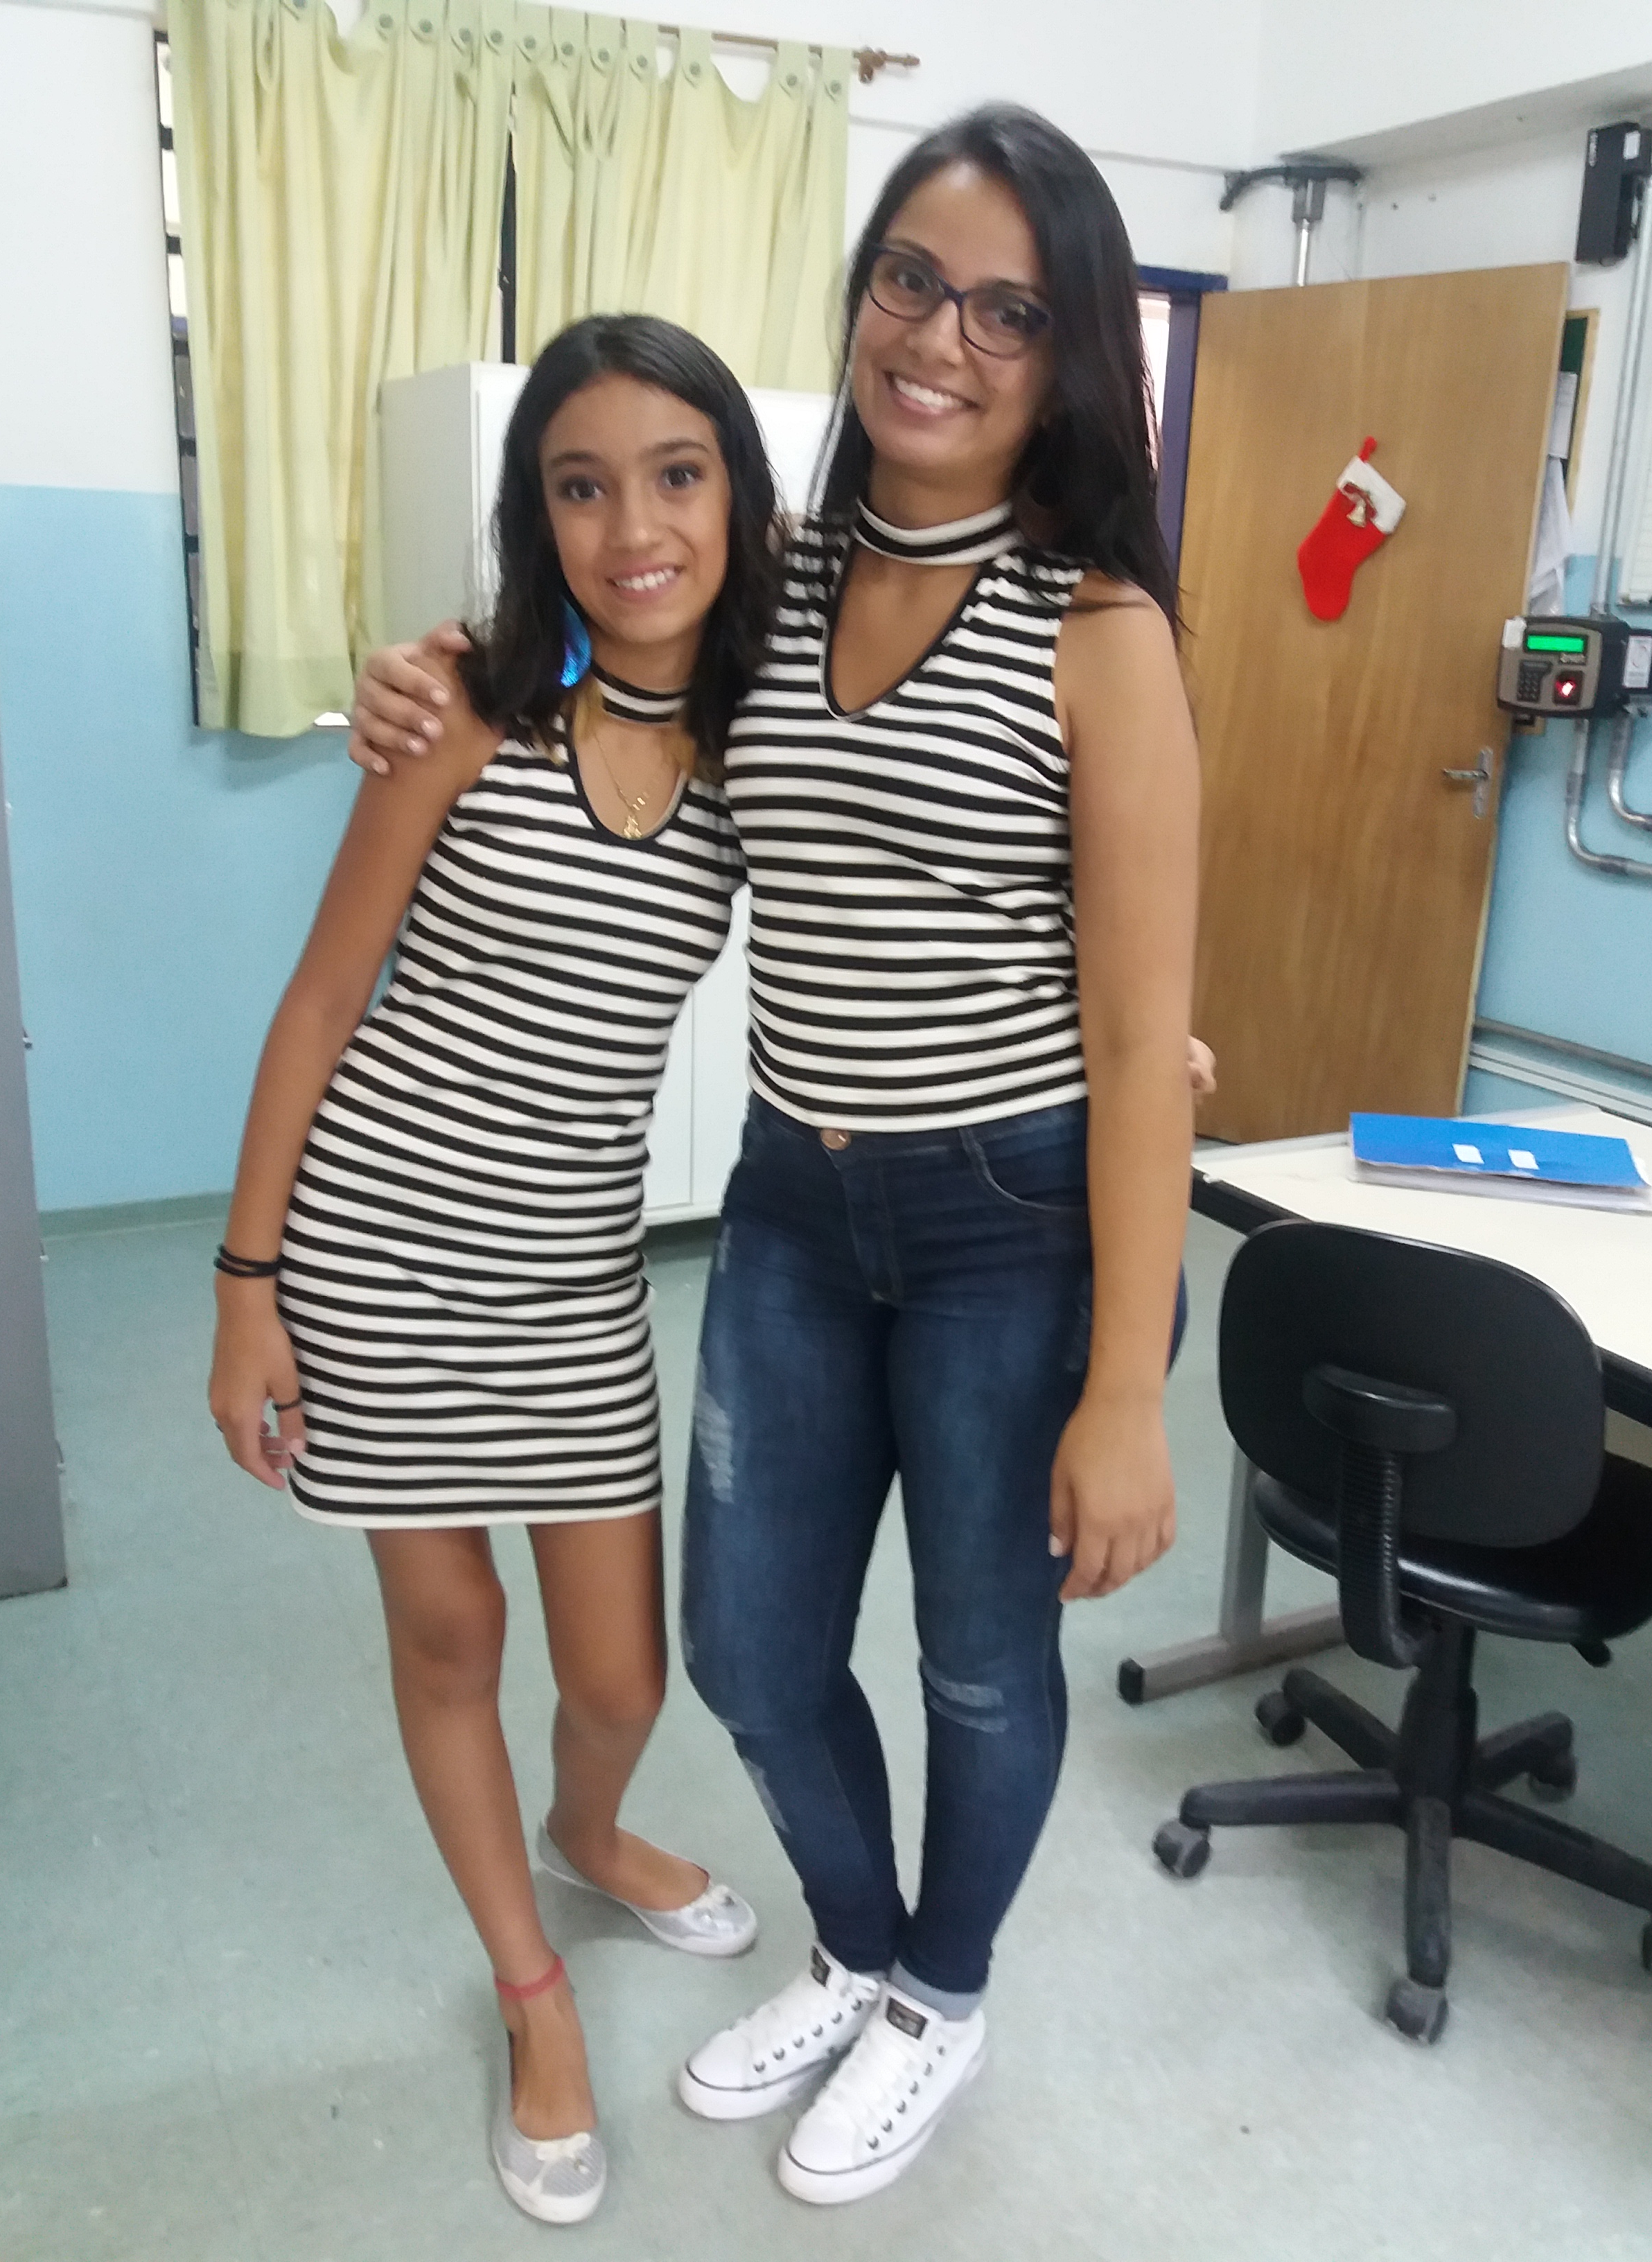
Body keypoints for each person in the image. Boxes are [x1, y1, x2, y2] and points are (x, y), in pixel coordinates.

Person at [351, 102, 1199, 2208]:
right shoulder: (776, 569)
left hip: (1011, 1221)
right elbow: (589, 636)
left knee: (980, 1660)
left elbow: (1134, 1029)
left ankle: (942, 1994)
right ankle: (859, 1945)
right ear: (862, 290)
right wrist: (422, 677)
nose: (942, 337)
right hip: (798, 1212)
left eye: (1009, 310)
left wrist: (1126, 1388)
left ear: (1070, 357)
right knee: (746, 1648)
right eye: (912, 278)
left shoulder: (1099, 628)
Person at [207, 314, 783, 2227]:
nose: (635, 528)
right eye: (582, 487)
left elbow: (933, 877)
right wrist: (244, 1284)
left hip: (573, 1281)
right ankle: (533, 1994)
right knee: (451, 1636)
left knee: (619, 1670)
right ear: (539, 516)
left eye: (677, 476)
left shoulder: (765, 736)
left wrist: (1129, 1022)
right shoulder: (462, 704)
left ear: (737, 494)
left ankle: (587, 1828)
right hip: (376, 1250)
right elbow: (322, 1000)